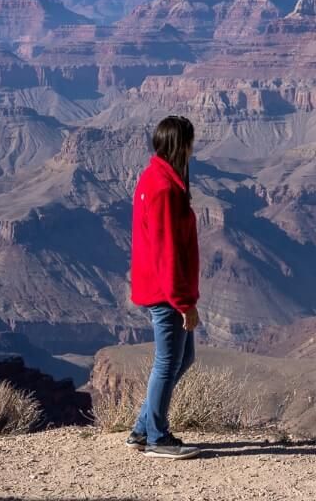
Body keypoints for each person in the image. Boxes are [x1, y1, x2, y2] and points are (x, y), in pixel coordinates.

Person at [126, 115, 202, 459]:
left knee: (183, 358)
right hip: (165, 291)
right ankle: (157, 437)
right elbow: (167, 250)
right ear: (179, 145)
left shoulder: (156, 177)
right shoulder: (163, 188)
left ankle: (142, 430)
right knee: (168, 362)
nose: (192, 150)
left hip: (162, 287)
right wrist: (184, 302)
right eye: (189, 143)